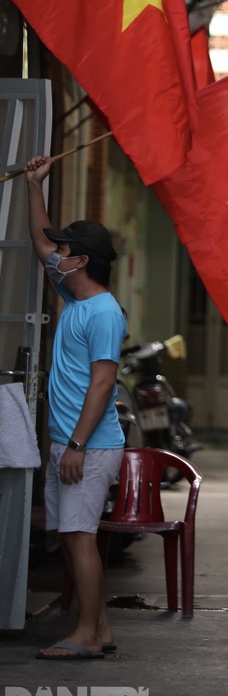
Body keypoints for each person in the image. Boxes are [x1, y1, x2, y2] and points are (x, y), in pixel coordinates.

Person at [26, 155, 127, 660]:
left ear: (82, 259)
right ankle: (100, 628)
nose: (57, 253)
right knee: (69, 538)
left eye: (67, 247)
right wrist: (32, 186)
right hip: (71, 443)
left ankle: (86, 635)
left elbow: (104, 382)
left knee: (80, 537)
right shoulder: (74, 297)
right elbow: (40, 243)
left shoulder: (104, 312)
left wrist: (77, 446)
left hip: (89, 446)